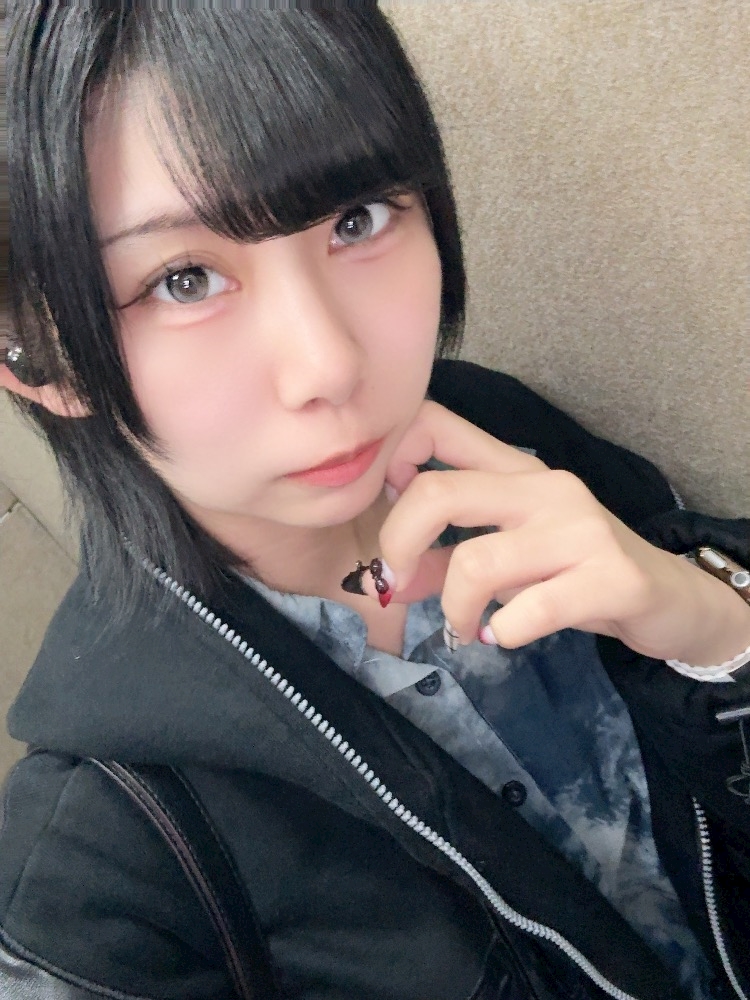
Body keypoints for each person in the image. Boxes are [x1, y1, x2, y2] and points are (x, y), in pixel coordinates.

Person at [2, 5, 749, 1000]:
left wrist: (718, 635)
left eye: (356, 218)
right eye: (183, 279)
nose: (330, 364)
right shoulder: (104, 872)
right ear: (38, 355)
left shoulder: (503, 435)